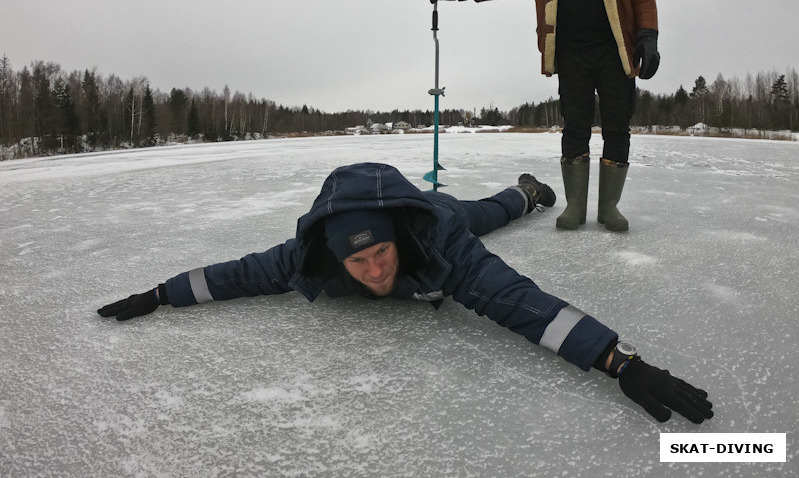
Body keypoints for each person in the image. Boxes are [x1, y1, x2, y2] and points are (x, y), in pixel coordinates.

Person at [99, 162, 712, 424]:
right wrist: (160, 293)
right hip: (411, 216)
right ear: (336, 255)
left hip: (442, 213)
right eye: (358, 260)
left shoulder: (439, 244)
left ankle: (526, 191)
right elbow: (231, 276)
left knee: (486, 211)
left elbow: (521, 302)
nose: (373, 271)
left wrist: (617, 360)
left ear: (398, 240)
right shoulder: (304, 258)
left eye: (381, 253)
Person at [430, 0, 660, 232]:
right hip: (572, 56)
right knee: (575, 127)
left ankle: (609, 208)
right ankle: (575, 208)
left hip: (615, 52)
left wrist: (648, 36)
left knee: (617, 127)